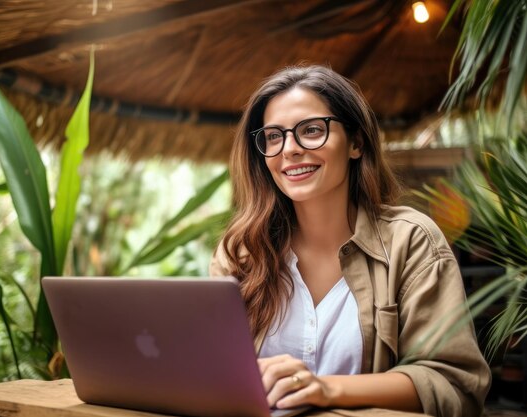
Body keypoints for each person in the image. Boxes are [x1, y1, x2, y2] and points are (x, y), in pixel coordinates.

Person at [209, 65, 491, 417]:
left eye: (311, 130)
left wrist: (325, 389)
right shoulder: (241, 252)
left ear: (356, 142)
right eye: (274, 136)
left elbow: (454, 384)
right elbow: (213, 372)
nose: (290, 149)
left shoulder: (411, 241)